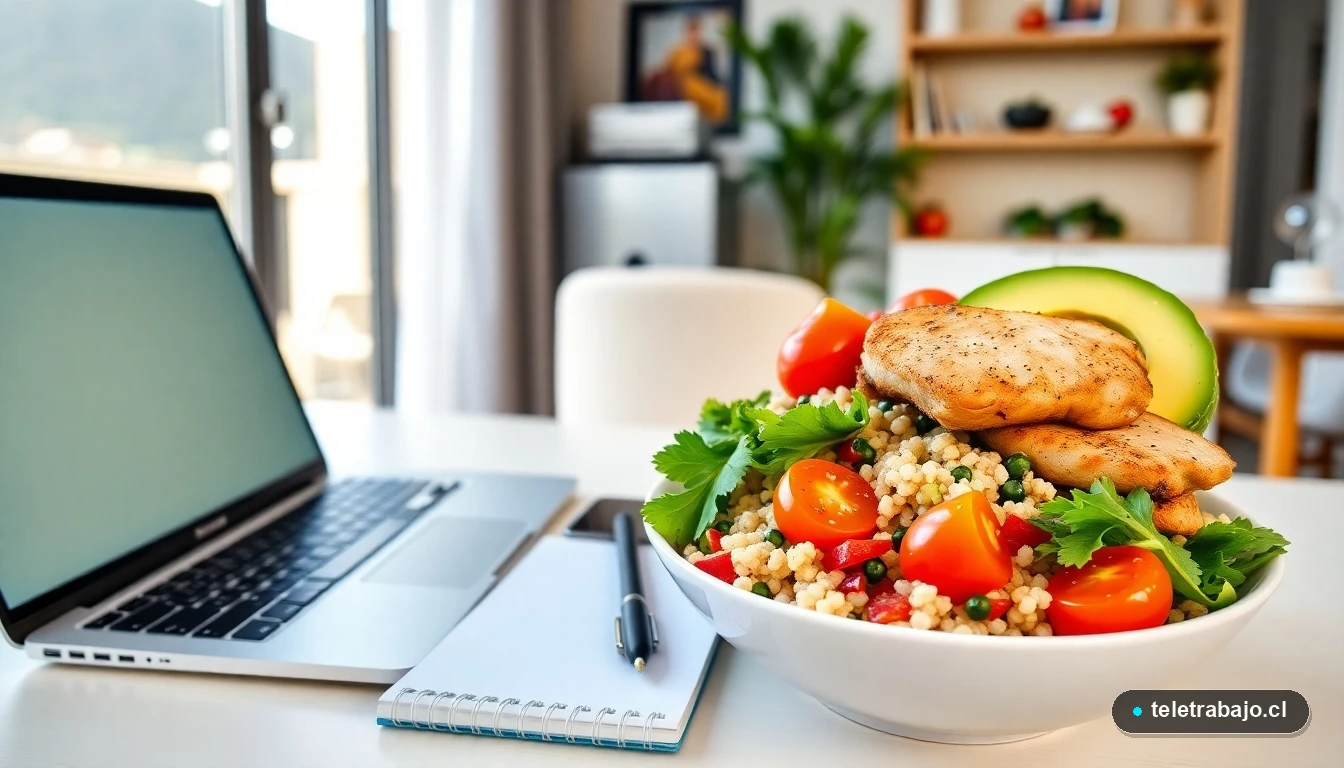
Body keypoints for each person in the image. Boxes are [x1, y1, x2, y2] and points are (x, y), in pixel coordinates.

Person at [640, 15, 729, 124]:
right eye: (691, 32)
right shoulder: (678, 51)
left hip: (701, 83)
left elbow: (712, 73)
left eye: (696, 32)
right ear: (687, 33)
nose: (693, 35)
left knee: (720, 96)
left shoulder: (707, 51)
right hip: (681, 85)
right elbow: (667, 69)